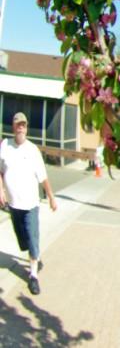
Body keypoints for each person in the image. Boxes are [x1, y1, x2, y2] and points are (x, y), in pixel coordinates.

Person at [0, 113, 58, 296]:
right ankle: (34, 255)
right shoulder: (5, 146)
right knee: (23, 241)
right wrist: (0, 189)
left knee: (32, 239)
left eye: (23, 125)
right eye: (18, 124)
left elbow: (43, 176)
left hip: (31, 204)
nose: (21, 128)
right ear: (13, 126)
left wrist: (51, 197)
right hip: (13, 204)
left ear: (26, 127)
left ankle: (33, 276)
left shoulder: (32, 150)